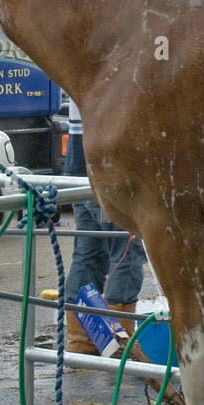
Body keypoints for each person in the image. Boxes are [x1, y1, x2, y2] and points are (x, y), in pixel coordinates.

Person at [63, 101, 149, 356]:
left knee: (88, 255)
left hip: (78, 166)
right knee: (125, 251)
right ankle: (122, 346)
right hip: (109, 168)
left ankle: (81, 342)